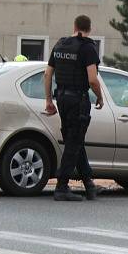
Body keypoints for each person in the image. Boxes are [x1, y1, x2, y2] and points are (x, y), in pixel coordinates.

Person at [43, 15, 103, 202]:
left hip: (61, 98)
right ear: (89, 28)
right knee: (74, 142)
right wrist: (100, 97)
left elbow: (47, 73)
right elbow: (92, 79)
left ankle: (89, 184)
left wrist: (48, 100)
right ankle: (61, 186)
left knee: (74, 140)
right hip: (78, 99)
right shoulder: (87, 48)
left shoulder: (60, 45)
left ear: (74, 26)